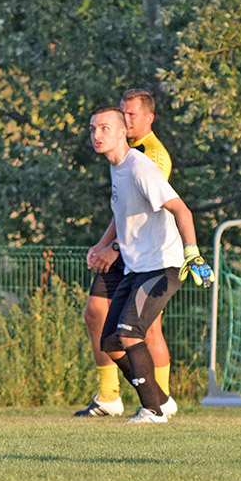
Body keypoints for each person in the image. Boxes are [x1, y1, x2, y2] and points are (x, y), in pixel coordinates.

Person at [85, 105, 214, 423]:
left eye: (104, 128)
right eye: (92, 129)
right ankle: (161, 399)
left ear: (120, 132)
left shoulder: (140, 167)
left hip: (163, 265)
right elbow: (123, 214)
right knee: (112, 342)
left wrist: (192, 253)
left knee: (130, 335)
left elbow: (182, 210)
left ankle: (152, 411)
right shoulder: (117, 169)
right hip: (137, 268)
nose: (97, 134)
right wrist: (103, 245)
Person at [74, 89, 176, 418]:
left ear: (148, 119)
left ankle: (160, 401)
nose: (126, 120)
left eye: (131, 115)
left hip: (144, 255)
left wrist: (113, 249)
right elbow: (122, 209)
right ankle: (110, 396)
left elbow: (148, 212)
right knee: (97, 316)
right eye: (123, 113)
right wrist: (103, 244)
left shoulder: (149, 158)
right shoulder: (119, 155)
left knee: (144, 329)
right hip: (124, 252)